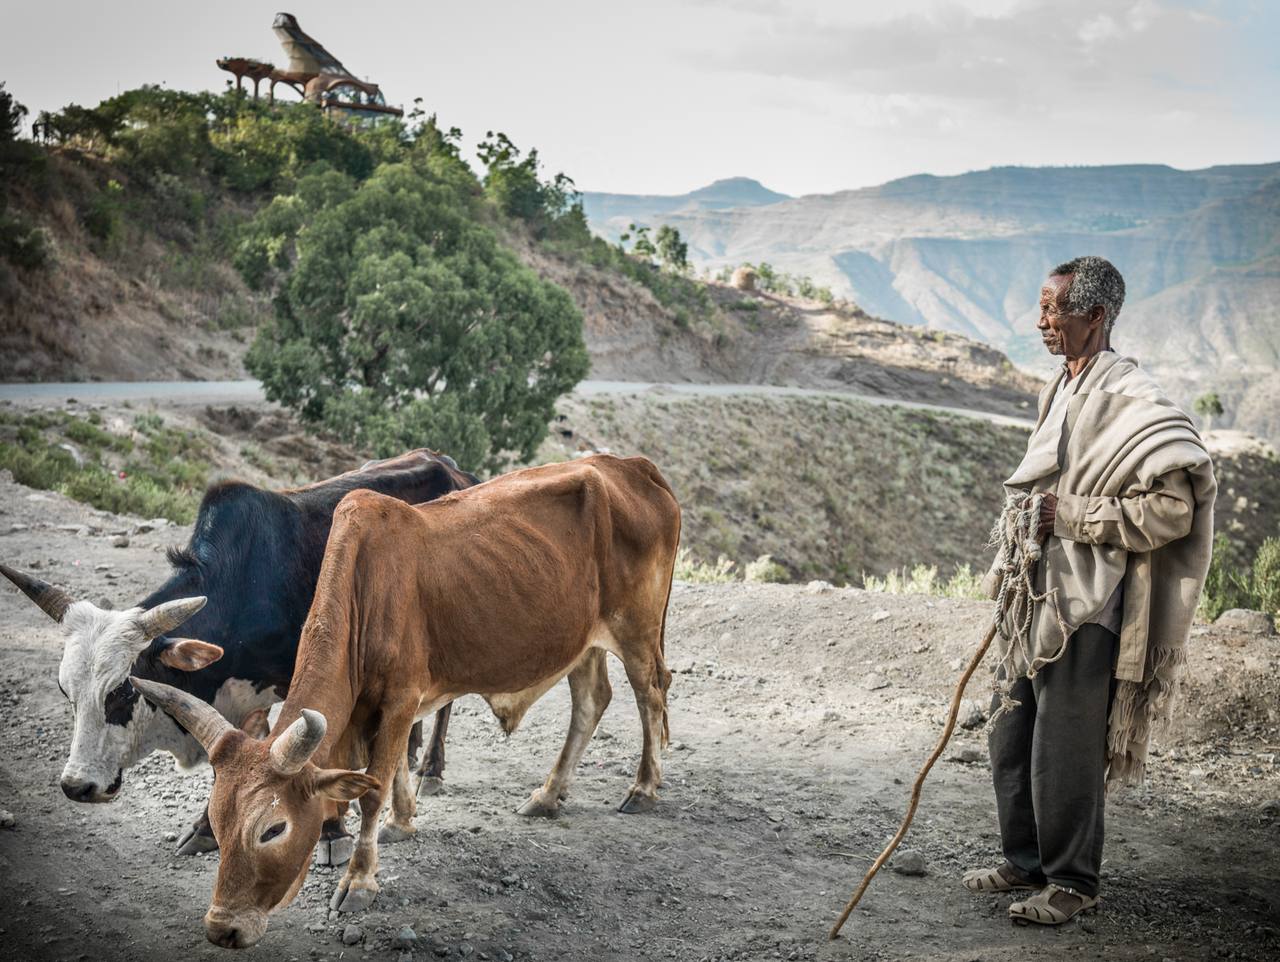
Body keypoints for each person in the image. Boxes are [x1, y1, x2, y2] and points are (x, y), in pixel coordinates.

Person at [963, 256, 1217, 925]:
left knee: (1064, 748)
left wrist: (1072, 515)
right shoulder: (1061, 388)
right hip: (1034, 599)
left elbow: (1173, 511)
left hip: (1089, 601)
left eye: (1055, 308)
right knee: (1009, 734)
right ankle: (1025, 860)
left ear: (1096, 315)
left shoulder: (1134, 399)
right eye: (1041, 307)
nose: (1043, 321)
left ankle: (1073, 882)